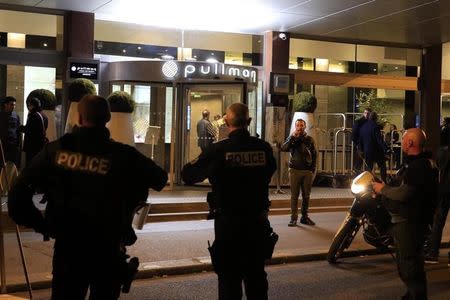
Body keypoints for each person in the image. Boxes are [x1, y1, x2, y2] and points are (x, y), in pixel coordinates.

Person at [8, 95, 168, 299]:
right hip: (108, 249)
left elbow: (16, 198)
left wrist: (44, 226)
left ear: (80, 118)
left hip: (69, 247)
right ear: (108, 118)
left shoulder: (55, 151)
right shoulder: (123, 155)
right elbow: (160, 178)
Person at [181, 103, 277, 300]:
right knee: (256, 278)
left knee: (229, 280)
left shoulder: (218, 150)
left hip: (228, 226)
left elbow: (189, 175)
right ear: (249, 122)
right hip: (257, 223)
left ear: (226, 122)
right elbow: (270, 171)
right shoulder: (264, 148)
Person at [372, 128, 438, 300]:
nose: (401, 142)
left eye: (403, 139)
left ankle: (416, 296)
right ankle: (411, 294)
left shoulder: (419, 166)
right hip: (412, 221)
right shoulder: (422, 163)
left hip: (410, 222)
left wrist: (382, 189)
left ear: (409, 143)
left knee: (410, 265)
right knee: (407, 263)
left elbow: (404, 193)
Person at [281, 118, 317, 226]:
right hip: (294, 171)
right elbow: (283, 148)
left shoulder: (309, 139)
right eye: (298, 125)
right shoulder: (292, 139)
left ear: (305, 127)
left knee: (306, 196)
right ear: (295, 127)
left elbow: (314, 155)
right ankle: (293, 218)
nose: (300, 127)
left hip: (307, 172)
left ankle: (304, 217)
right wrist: (292, 137)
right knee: (294, 196)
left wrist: (312, 169)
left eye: (302, 125)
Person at [424, 121, 450, 264]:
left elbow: (438, 165)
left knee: (438, 221)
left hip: (445, 188)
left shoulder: (442, 152)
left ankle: (433, 252)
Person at [359, 111, 387, 182]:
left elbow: (360, 139)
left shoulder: (363, 126)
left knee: (368, 167)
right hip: (376, 151)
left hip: (367, 150)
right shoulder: (375, 126)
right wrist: (385, 148)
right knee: (382, 165)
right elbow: (378, 139)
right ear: (376, 118)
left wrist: (360, 149)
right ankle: (384, 181)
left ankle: (366, 182)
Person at [21, 97, 48, 165]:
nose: (28, 107)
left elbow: (29, 129)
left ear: (32, 106)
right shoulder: (44, 116)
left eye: (29, 105)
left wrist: (20, 128)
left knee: (30, 164)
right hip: (40, 146)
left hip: (32, 146)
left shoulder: (33, 115)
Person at [0, 96, 21, 167]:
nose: (13, 106)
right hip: (2, 145)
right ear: (5, 105)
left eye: (14, 105)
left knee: (12, 165)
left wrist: (18, 144)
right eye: (11, 104)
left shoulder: (16, 116)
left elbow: (18, 130)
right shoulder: (1, 115)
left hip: (13, 145)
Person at [351, 108, 372, 172]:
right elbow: (354, 135)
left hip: (367, 145)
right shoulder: (359, 122)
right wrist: (357, 144)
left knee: (368, 164)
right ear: (363, 113)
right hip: (360, 145)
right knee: (359, 163)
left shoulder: (370, 122)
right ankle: (357, 177)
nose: (367, 115)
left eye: (368, 113)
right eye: (365, 113)